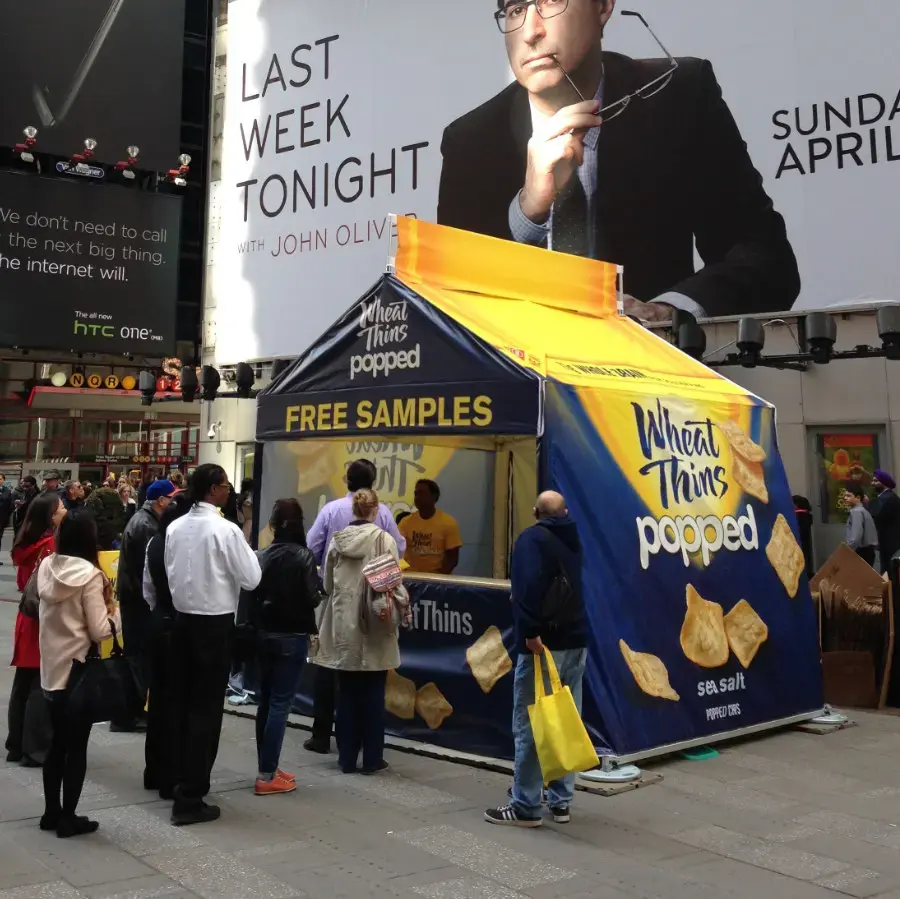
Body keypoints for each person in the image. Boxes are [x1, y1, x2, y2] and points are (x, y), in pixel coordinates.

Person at [437, 0, 799, 321]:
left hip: (657, 382)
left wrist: (667, 315)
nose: (530, 31)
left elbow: (766, 261)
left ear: (603, 7)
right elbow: (451, 310)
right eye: (516, 9)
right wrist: (527, 211)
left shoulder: (679, 95)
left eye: (551, 2)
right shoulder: (470, 141)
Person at [164, 463, 261, 826]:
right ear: (212, 490)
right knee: (205, 711)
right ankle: (191, 795)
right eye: (225, 485)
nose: (229, 490)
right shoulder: (225, 529)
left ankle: (180, 781)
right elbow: (251, 578)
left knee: (183, 705)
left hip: (182, 622)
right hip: (214, 624)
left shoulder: (175, 527)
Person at [485, 490, 586, 827]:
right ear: (566, 511)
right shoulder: (573, 537)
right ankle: (561, 800)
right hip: (576, 640)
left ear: (534, 511)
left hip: (543, 644)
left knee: (532, 722)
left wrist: (529, 633)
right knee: (564, 719)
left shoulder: (532, 540)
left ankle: (526, 803)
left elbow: (526, 590)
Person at [303, 459, 406, 755]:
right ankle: (366, 743)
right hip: (373, 603)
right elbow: (397, 551)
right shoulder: (384, 516)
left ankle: (322, 735)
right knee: (370, 673)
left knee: (328, 665)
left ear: (346, 480)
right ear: (373, 483)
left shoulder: (331, 511)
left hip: (337, 601)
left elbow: (313, 548)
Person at [37, 511, 120, 837]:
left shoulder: (47, 566)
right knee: (77, 749)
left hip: (50, 669)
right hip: (78, 671)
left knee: (55, 746)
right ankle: (69, 817)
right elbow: (100, 631)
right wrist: (117, 616)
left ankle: (50, 813)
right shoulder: (90, 576)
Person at [248, 499, 320, 795]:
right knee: (280, 703)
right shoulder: (304, 556)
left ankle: (267, 766)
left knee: (265, 701)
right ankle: (267, 775)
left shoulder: (261, 555)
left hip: (263, 633)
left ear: (274, 525)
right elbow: (312, 597)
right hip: (292, 635)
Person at [6, 493, 66, 767]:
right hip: (44, 619)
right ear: (50, 515)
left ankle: (16, 744)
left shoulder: (27, 543)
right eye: (61, 507)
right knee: (39, 687)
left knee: (23, 683)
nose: (65, 510)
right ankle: (35, 748)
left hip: (26, 618)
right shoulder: (51, 545)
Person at [115, 479, 179, 733]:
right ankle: (128, 714)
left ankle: (132, 711)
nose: (174, 502)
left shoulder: (146, 521)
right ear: (161, 500)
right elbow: (148, 568)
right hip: (137, 601)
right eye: (171, 497)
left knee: (139, 657)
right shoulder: (146, 525)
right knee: (137, 658)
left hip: (136, 599)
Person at [141, 492, 193, 800]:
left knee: (158, 698)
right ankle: (172, 775)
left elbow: (148, 587)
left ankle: (153, 770)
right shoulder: (184, 547)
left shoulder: (154, 542)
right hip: (180, 623)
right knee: (179, 701)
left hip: (158, 621)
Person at [399, 479, 462, 574]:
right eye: (416, 494)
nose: (417, 497)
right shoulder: (405, 522)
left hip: (437, 581)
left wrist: (437, 580)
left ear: (434, 496)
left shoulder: (448, 522)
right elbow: (397, 550)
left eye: (422, 493)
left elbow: (452, 559)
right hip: (412, 579)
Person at [870, 470, 900, 572]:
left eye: (875, 481)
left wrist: (865, 504)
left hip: (890, 543)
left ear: (884, 483)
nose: (872, 483)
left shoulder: (888, 499)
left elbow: (876, 515)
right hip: (888, 542)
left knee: (889, 571)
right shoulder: (886, 497)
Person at [844, 485, 879, 566]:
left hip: (861, 551)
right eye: (845, 495)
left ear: (858, 497)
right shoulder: (863, 510)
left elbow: (856, 536)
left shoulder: (856, 512)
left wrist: (847, 550)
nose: (845, 498)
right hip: (868, 551)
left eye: (848, 495)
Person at [792, 495, 815, 578]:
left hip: (798, 544)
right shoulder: (807, 515)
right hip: (805, 544)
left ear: (796, 504)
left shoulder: (798, 516)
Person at [0, 473, 13, 560]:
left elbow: (10, 506)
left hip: (1, 519)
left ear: (3, 480)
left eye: (0, 479)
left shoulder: (7, 491)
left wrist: (6, 516)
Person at [238, 478, 254, 543]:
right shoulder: (250, 498)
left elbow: (240, 519)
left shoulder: (240, 497)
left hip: (245, 524)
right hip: (251, 524)